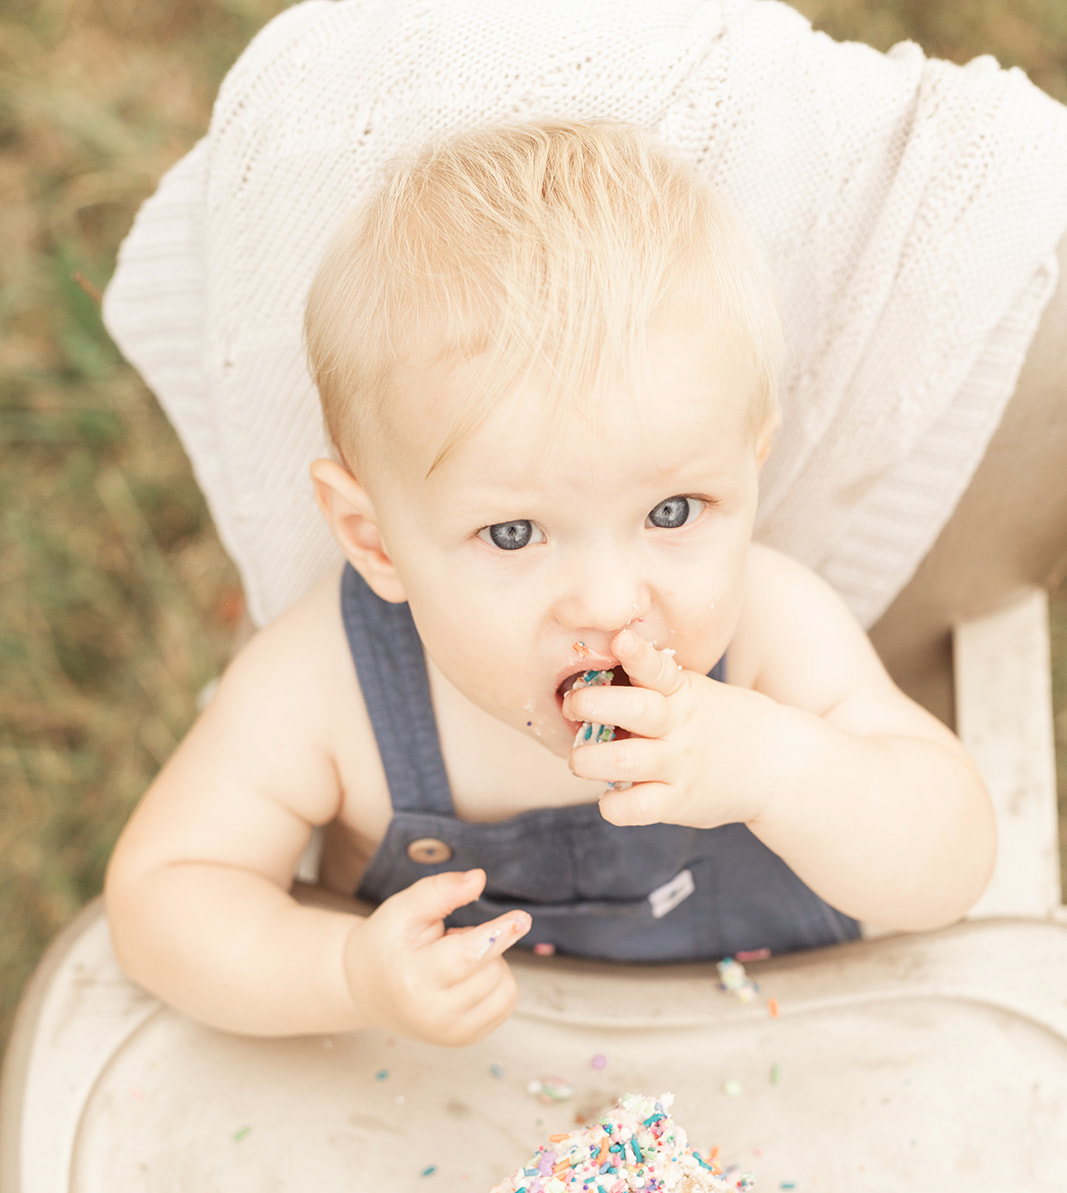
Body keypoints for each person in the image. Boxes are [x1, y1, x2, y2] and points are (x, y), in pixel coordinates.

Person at [103, 119, 996, 1046]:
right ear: (375, 540)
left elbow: (953, 864)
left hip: (769, 1072)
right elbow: (165, 898)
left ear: (751, 466)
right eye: (515, 533)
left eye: (674, 512)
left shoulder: (773, 639)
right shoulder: (323, 690)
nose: (611, 602)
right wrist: (343, 975)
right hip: (442, 1120)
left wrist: (781, 770)